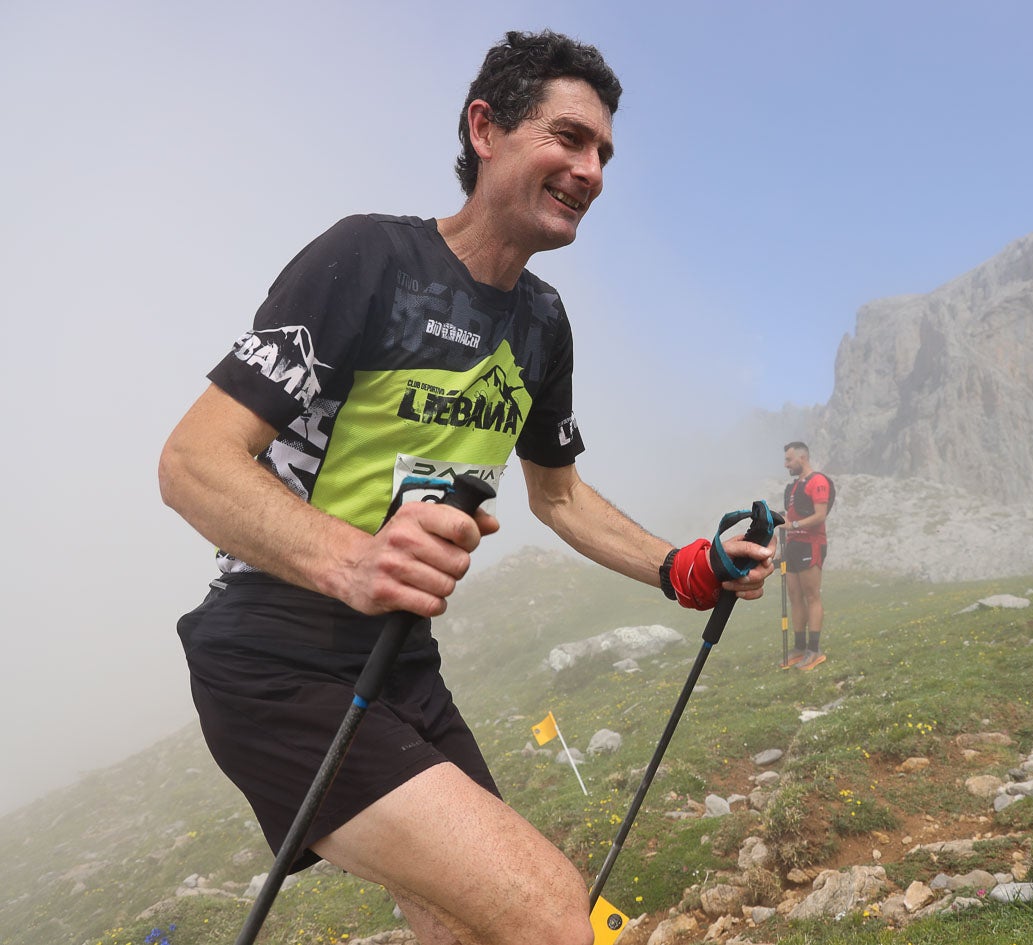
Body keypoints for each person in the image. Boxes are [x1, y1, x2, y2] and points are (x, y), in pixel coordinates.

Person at [158, 31, 774, 945]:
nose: (590, 169)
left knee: (466, 929)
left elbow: (557, 494)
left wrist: (681, 566)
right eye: (567, 137)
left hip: (402, 663)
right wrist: (352, 559)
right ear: (485, 128)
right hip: (275, 658)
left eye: (603, 152)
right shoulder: (369, 259)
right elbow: (193, 461)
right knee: (554, 918)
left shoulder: (541, 323)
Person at [780, 442, 833, 671]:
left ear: (802, 458)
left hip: (811, 544)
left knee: (812, 596)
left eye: (789, 460)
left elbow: (820, 516)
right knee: (794, 595)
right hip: (793, 546)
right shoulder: (793, 487)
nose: (786, 464)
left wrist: (794, 525)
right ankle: (799, 647)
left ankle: (815, 650)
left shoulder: (818, 481)